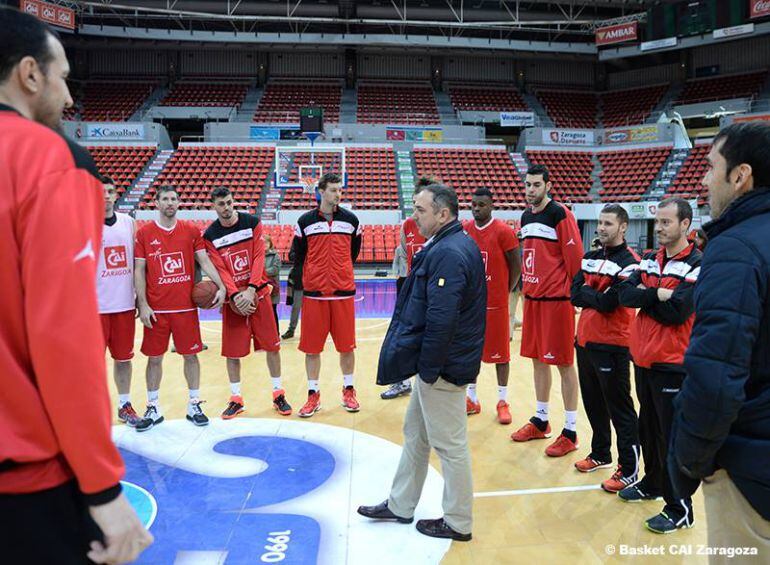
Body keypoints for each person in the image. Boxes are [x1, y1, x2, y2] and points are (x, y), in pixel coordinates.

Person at [0, 7, 152, 563]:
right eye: (63, 77)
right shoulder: (50, 159)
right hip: (24, 480)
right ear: (29, 75)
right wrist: (104, 486)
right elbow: (62, 337)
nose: (69, 98)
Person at [358, 183, 486, 542]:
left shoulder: (449, 252)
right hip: (437, 364)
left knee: (450, 446)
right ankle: (401, 505)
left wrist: (429, 369)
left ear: (442, 214)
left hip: (443, 367)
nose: (414, 216)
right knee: (415, 435)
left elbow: (442, 319)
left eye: (420, 210)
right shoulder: (449, 244)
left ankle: (459, 521)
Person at [670, 122, 770, 554]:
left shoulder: (735, 249)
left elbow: (715, 377)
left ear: (740, 175)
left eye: (711, 167)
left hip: (750, 472)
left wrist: (690, 462)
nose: (703, 179)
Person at [617, 197, 701, 534]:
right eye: (657, 222)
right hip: (644, 358)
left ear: (685, 225)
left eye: (666, 222)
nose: (659, 228)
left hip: (672, 364)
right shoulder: (651, 260)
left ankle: (680, 507)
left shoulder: (696, 264)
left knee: (671, 437)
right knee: (648, 429)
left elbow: (678, 311)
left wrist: (646, 294)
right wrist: (657, 295)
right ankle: (652, 484)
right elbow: (623, 294)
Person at [134, 185, 227, 431]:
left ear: (179, 203)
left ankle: (194, 404)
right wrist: (142, 304)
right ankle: (153, 406)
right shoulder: (144, 233)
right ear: (156, 203)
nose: (170, 203)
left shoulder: (190, 231)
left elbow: (204, 261)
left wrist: (221, 286)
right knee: (154, 359)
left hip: (185, 308)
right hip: (156, 309)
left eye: (174, 199)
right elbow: (139, 270)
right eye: (165, 199)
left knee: (191, 356)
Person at [512, 164, 584, 458]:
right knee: (538, 361)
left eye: (536, 185)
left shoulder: (560, 214)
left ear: (548, 186)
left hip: (557, 302)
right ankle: (541, 420)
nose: (531, 190)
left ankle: (571, 431)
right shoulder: (526, 216)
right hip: (533, 301)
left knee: (564, 363)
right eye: (528, 185)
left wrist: (577, 296)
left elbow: (575, 257)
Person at [570, 204, 641, 493]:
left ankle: (629, 468)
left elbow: (611, 302)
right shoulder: (589, 257)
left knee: (619, 407)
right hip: (585, 341)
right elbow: (574, 293)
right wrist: (594, 293)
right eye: (600, 223)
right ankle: (601, 453)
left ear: (623, 227)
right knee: (594, 403)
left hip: (613, 344)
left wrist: (591, 295)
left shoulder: (631, 263)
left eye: (608, 223)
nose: (601, 228)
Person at [203, 187, 291, 418]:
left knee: (272, 347)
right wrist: (234, 296)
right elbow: (220, 268)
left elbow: (258, 256)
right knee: (232, 354)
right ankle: (236, 398)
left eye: (229, 202)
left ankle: (278, 393)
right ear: (214, 205)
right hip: (234, 301)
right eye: (221, 204)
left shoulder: (252, 222)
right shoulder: (210, 235)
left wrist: (251, 290)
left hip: (257, 294)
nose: (227, 207)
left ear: (234, 202)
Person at [292, 172, 362, 417]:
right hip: (315, 295)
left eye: (339, 190)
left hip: (343, 294)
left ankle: (349, 390)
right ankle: (313, 395)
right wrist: (314, 274)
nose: (337, 194)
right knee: (312, 349)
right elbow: (297, 256)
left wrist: (340, 270)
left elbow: (354, 252)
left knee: (346, 347)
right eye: (333, 190)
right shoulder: (305, 222)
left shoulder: (352, 221)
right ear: (320, 191)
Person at [463, 188, 521, 424]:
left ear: (491, 206)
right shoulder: (465, 230)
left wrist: (505, 289)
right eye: (474, 204)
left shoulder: (504, 231)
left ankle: (502, 401)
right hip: (471, 304)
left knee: (501, 356)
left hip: (496, 304)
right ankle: (471, 398)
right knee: (471, 353)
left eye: (482, 205)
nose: (477, 208)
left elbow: (516, 265)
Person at [381, 176, 432, 400]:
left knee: (432, 342)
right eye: (414, 204)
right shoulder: (408, 225)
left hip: (436, 294)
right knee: (403, 339)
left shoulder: (443, 228)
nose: (416, 209)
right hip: (413, 291)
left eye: (421, 205)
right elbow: (405, 256)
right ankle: (402, 383)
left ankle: (432, 388)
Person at [97, 174, 140, 427]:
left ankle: (124, 405)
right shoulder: (83, 223)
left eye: (110, 191)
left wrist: (140, 299)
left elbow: (138, 264)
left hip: (124, 305)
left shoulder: (128, 223)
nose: (105, 196)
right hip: (95, 308)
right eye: (100, 192)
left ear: (116, 195)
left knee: (123, 360)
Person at [264, 233, 282, 330]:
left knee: (273, 311)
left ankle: (276, 333)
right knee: (261, 313)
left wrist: (261, 272)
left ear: (270, 244)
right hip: (260, 288)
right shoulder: (256, 255)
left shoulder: (276, 256)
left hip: (272, 288)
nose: (264, 245)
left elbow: (275, 270)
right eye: (262, 243)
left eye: (266, 242)